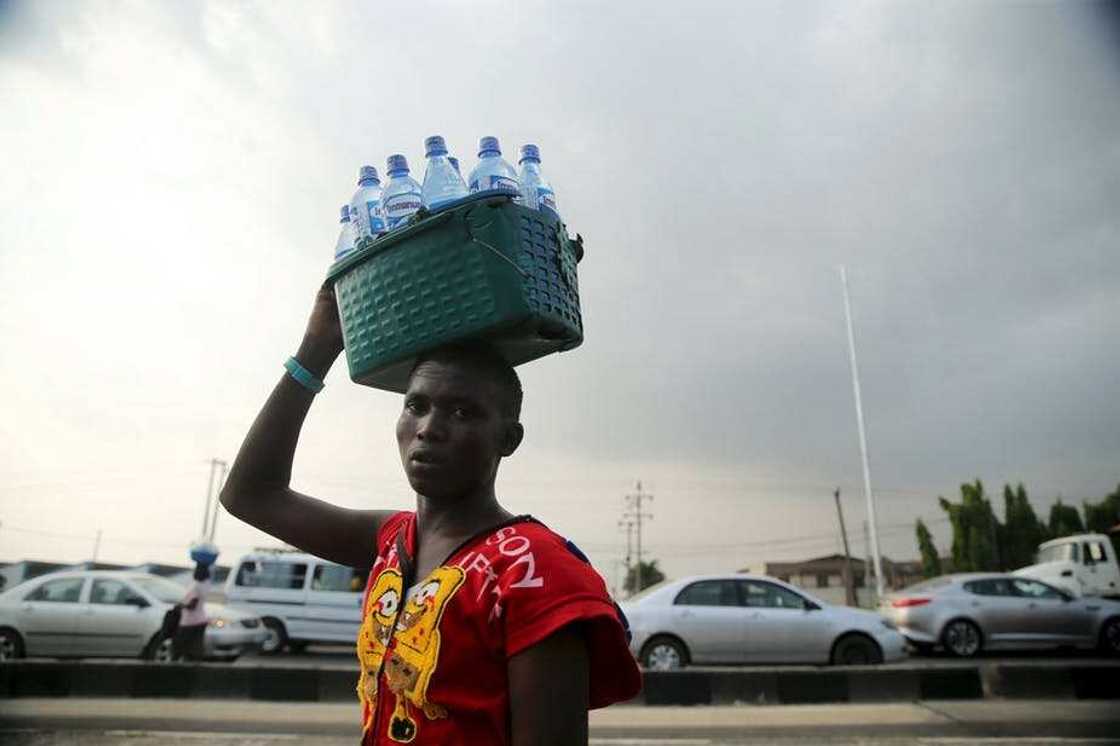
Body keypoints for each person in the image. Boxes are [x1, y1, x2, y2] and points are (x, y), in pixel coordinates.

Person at [221, 283, 641, 745]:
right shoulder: (392, 540)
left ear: (509, 439)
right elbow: (250, 494)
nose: (429, 429)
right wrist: (317, 349)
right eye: (416, 406)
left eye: (463, 412)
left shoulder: (536, 572)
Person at [173, 563, 210, 661]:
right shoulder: (206, 584)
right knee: (196, 645)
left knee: (179, 644)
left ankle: (174, 666)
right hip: (202, 619)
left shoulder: (195, 586)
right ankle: (195, 666)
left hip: (189, 621)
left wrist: (181, 606)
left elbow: (192, 605)